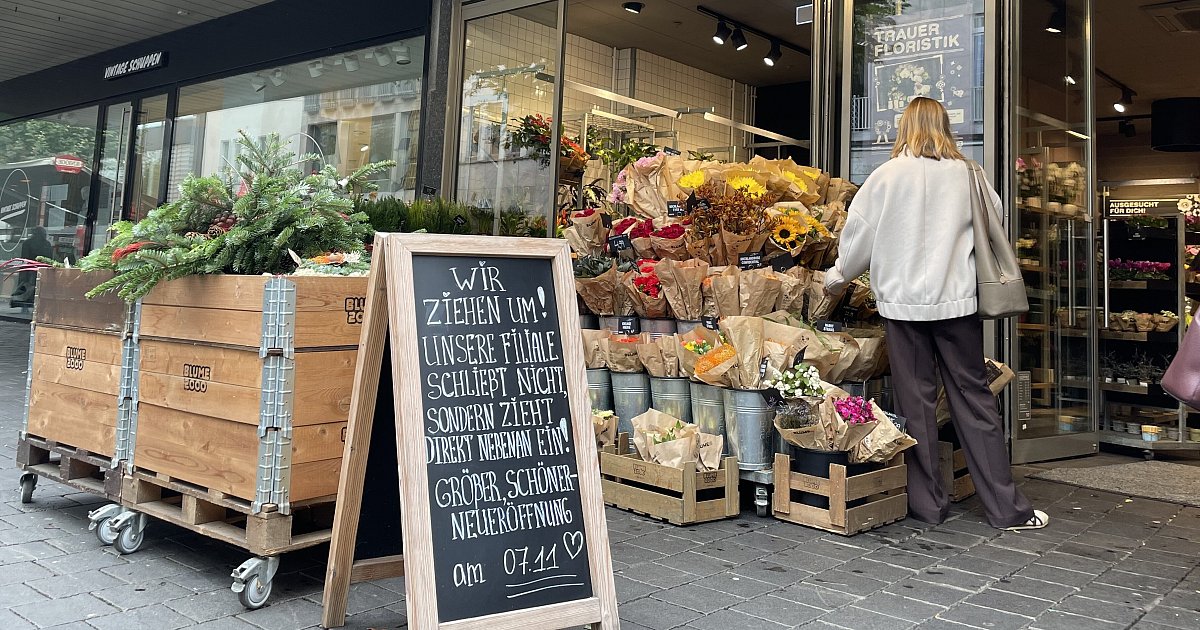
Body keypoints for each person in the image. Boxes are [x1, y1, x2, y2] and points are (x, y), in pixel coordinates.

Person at [824, 97, 1047, 531]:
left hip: (902, 306)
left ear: (904, 126)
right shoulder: (970, 175)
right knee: (974, 399)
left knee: (915, 402)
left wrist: (836, 279)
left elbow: (857, 241)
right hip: (957, 302)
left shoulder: (886, 176)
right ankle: (1006, 509)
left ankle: (927, 505)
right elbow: (994, 225)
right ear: (946, 127)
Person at [10, 226, 53, 307]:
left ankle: (23, 303)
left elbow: (24, 257)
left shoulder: (28, 243)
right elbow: (50, 258)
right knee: (32, 287)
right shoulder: (46, 244)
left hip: (30, 269)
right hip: (39, 269)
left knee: (27, 287)